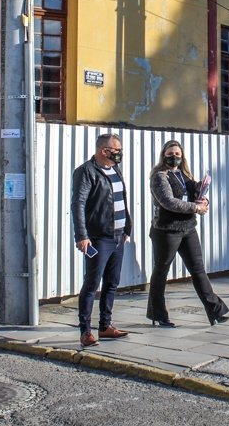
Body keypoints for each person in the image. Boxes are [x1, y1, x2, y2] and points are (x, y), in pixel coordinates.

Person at [146, 140, 229, 328]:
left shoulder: (183, 175)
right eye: (170, 154)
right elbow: (169, 201)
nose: (174, 157)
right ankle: (158, 314)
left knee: (198, 269)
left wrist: (202, 196)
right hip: (167, 231)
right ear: (163, 155)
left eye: (177, 154)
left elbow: (192, 192)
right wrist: (196, 208)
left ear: (182, 157)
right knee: (161, 271)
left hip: (188, 229)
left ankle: (216, 310)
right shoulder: (160, 177)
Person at [71, 133, 131, 347]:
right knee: (92, 283)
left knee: (112, 283)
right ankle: (85, 331)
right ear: (104, 151)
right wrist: (82, 236)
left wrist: (127, 229)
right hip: (98, 238)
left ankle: (105, 326)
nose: (120, 154)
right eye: (116, 150)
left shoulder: (115, 169)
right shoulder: (86, 172)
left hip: (117, 236)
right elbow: (78, 204)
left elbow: (121, 199)